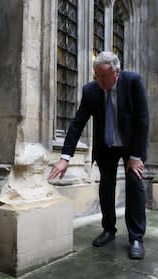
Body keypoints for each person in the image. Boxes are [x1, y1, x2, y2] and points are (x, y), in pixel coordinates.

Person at [48, 51, 149, 259]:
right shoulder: (90, 90)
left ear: (117, 73)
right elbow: (77, 123)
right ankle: (109, 230)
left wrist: (137, 155)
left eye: (104, 76)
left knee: (134, 184)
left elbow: (142, 119)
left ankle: (136, 237)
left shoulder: (133, 82)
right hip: (107, 145)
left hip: (131, 145)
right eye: (97, 76)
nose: (100, 81)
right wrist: (65, 157)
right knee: (106, 186)